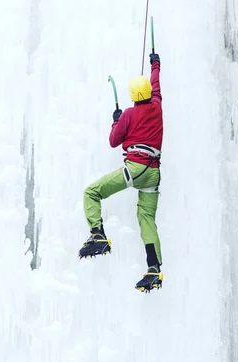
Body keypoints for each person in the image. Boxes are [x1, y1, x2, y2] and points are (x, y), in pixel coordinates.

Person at [79, 53, 164, 293]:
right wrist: (154, 64)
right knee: (146, 218)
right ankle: (154, 268)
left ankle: (98, 236)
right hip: (153, 173)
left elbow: (113, 141)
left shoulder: (129, 114)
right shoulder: (156, 106)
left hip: (135, 169)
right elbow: (156, 84)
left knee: (92, 193)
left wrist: (116, 121)